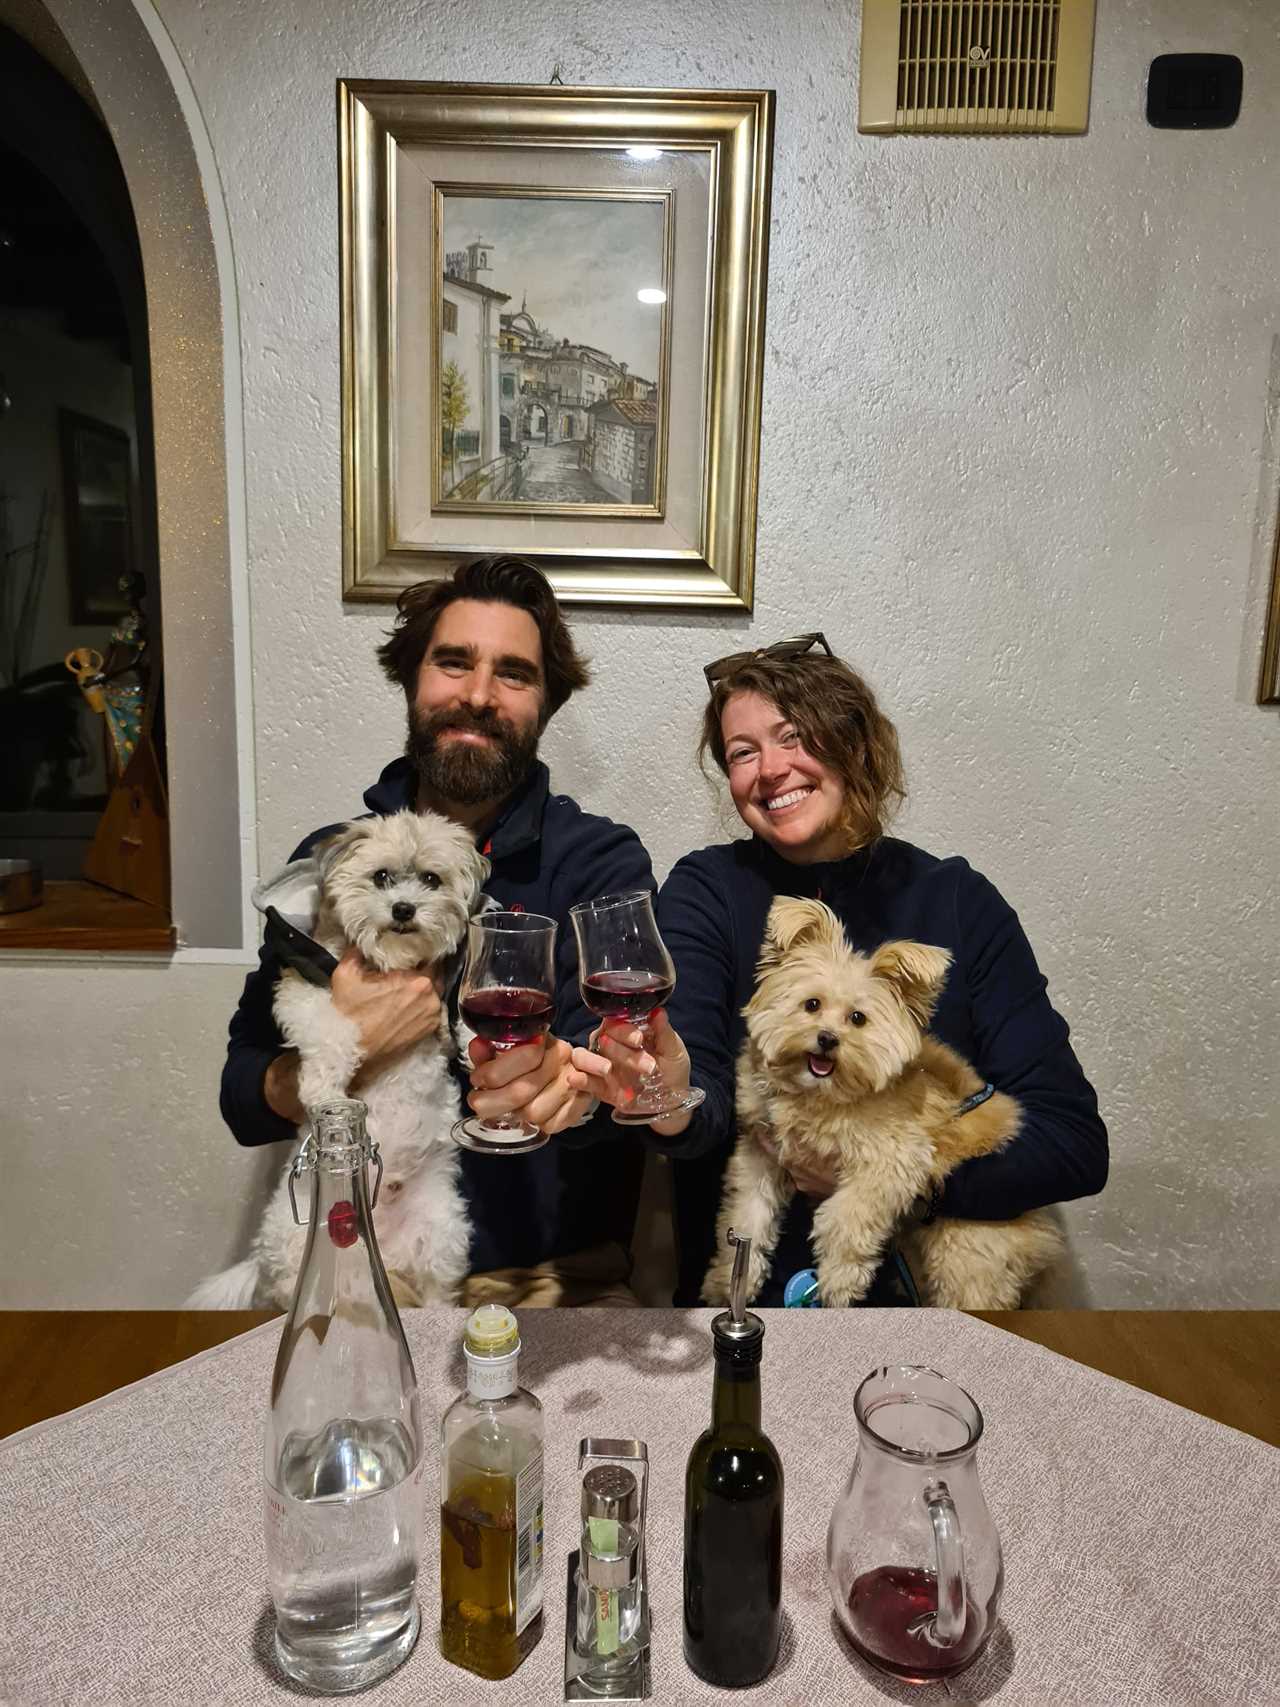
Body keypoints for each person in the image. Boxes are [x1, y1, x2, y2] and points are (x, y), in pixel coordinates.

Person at [576, 633, 1109, 1305]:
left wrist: (893, 1179)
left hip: (928, 1316)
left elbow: (1074, 1144)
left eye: (792, 736)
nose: (769, 769)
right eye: (743, 752)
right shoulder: (709, 889)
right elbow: (701, 1108)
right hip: (746, 1316)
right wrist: (672, 1089)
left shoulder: (958, 902)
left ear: (854, 743)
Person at [220, 555, 653, 1304]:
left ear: (546, 703)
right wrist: (352, 1044)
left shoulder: (598, 860)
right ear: (412, 678)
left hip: (543, 1282)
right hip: (337, 1262)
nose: (479, 695)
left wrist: (565, 1089)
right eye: (454, 662)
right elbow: (241, 1096)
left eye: (514, 673)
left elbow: (613, 1095)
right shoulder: (332, 861)